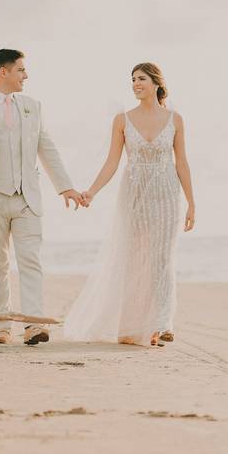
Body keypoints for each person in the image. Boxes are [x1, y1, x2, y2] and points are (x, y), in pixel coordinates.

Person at [0, 49, 85, 345]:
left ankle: (33, 324)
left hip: (27, 198)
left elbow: (46, 147)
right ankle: (1, 326)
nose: (26, 75)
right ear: (4, 71)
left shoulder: (32, 106)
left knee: (31, 261)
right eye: (21, 70)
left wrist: (65, 187)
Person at [64, 62, 196, 346]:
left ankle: (162, 323)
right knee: (135, 258)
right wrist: (92, 191)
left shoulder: (176, 120)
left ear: (156, 83)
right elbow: (112, 161)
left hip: (167, 194)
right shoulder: (122, 120)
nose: (136, 84)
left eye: (142, 79)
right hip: (134, 195)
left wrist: (191, 203)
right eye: (133, 79)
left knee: (162, 258)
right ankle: (134, 325)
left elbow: (182, 163)